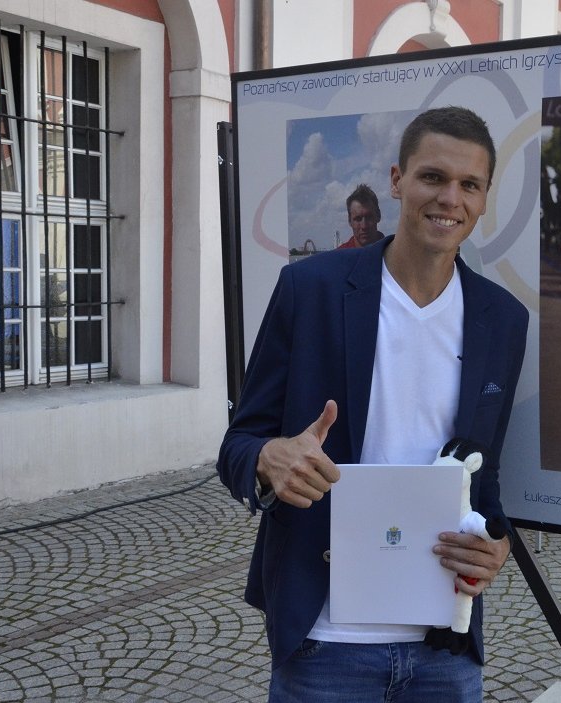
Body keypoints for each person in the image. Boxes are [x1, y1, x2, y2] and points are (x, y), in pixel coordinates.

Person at [217, 106, 527, 702]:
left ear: (485, 199)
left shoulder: (502, 320)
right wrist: (270, 460)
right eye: (432, 177)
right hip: (323, 644)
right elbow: (237, 445)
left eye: (469, 185)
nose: (449, 199)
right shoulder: (310, 290)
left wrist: (498, 545)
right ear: (397, 180)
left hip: (445, 649)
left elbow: (486, 485)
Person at [337, 183, 385, 249]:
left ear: (378, 215)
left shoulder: (397, 254)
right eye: (358, 219)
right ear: (349, 220)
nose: (364, 226)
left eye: (369, 217)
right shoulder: (338, 257)